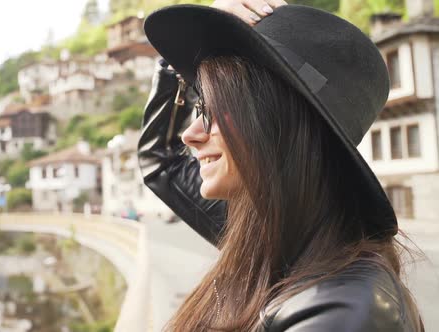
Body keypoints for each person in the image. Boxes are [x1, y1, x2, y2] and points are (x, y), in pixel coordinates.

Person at [137, 1, 425, 331]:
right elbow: (161, 161)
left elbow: (162, 161)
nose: (191, 134)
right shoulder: (276, 232)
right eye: (200, 105)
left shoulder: (344, 312)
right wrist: (177, 67)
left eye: (215, 111)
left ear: (280, 124)